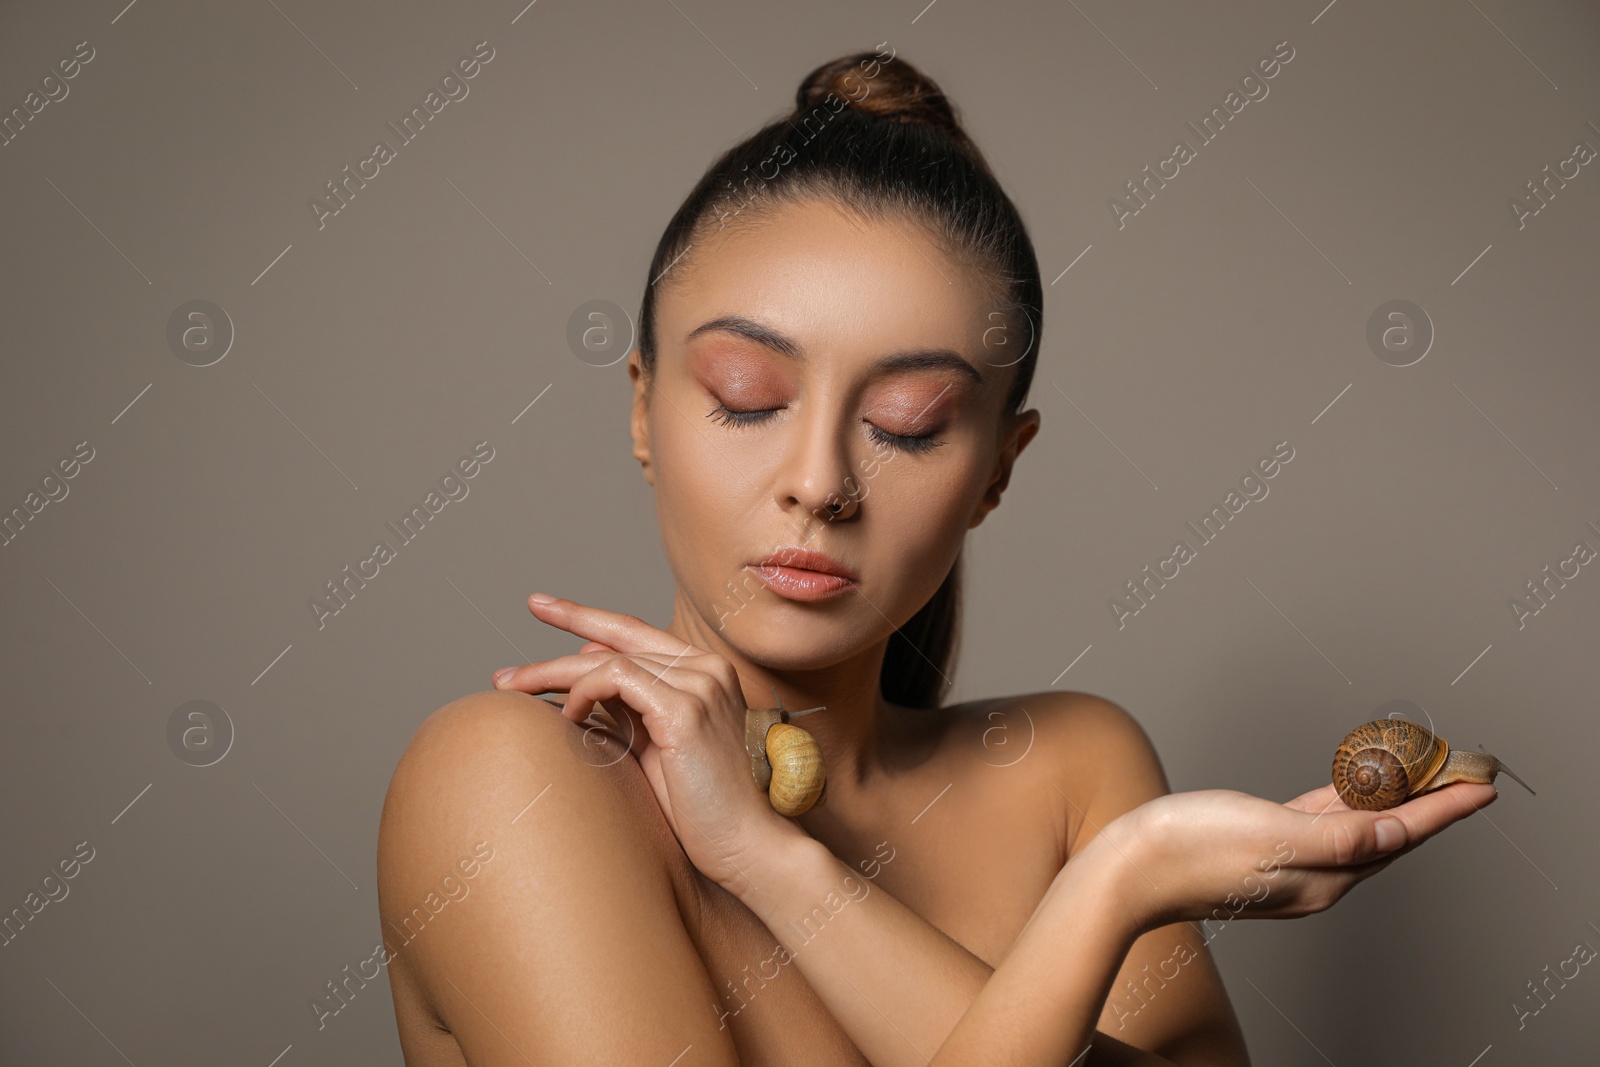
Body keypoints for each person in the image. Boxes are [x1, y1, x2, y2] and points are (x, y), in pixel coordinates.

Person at [376, 48, 1494, 1066]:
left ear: (998, 469)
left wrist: (777, 862)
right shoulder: (518, 776)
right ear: (642, 407)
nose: (819, 480)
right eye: (746, 397)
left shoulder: (1070, 768)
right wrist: (1110, 893)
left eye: (907, 422)